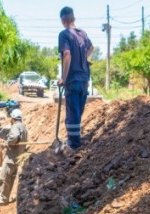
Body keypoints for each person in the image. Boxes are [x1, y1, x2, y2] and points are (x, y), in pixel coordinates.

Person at [57, 6, 93, 152]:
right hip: (84, 79)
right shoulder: (82, 34)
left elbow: (66, 54)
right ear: (73, 18)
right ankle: (74, 140)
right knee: (77, 112)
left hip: (72, 79)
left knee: (73, 113)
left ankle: (73, 145)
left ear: (63, 20)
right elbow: (91, 48)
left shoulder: (64, 34)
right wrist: (84, 58)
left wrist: (63, 78)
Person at [0, 109, 28, 206]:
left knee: (4, 177)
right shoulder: (23, 126)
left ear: (12, 118)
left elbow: (14, 136)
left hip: (11, 157)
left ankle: (3, 199)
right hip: (18, 156)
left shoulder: (15, 126)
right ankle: (6, 197)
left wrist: (7, 143)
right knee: (11, 178)